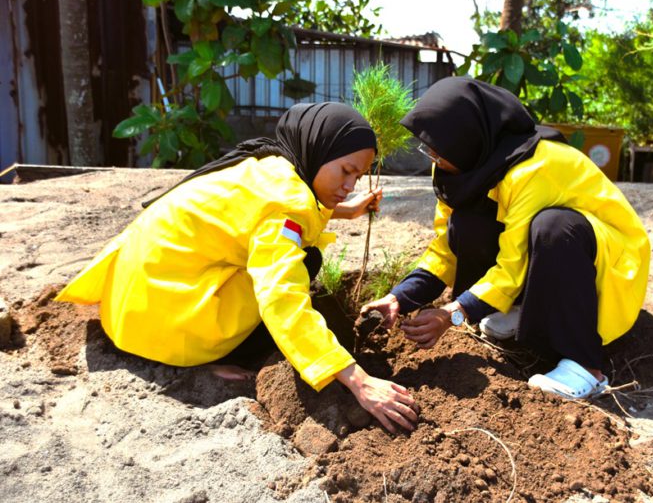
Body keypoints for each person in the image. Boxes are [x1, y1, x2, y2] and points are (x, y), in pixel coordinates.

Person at [56, 102, 418, 433]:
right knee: (304, 265)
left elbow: (267, 214)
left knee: (297, 260)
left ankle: (204, 345)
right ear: (319, 150)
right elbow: (282, 299)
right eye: (346, 171)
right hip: (162, 326)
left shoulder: (271, 167)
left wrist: (346, 209)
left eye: (358, 176)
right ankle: (208, 356)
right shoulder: (284, 206)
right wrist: (359, 381)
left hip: (132, 305)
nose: (350, 185)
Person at [361, 77, 651, 400]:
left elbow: (513, 266)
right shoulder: (457, 168)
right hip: (548, 259)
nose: (431, 155)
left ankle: (586, 366)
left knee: (553, 228)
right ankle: (516, 308)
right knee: (467, 220)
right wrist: (400, 298)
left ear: (467, 140)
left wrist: (453, 314)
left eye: (437, 148)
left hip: (610, 265)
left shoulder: (533, 168)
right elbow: (446, 250)